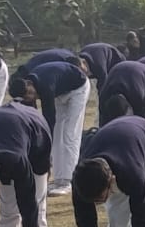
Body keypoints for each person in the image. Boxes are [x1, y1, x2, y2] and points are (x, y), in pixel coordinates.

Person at [15, 60, 91, 197]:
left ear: (29, 84)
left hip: (78, 88)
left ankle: (69, 181)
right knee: (57, 135)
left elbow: (49, 120)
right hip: (61, 91)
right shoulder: (33, 86)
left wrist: (44, 150)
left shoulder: (45, 86)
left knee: (70, 134)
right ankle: (58, 179)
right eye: (27, 97)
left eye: (30, 93)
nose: (32, 97)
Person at [98, 60, 145, 124]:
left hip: (140, 71)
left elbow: (141, 121)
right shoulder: (103, 99)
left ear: (130, 107)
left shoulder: (138, 97)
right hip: (119, 69)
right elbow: (102, 121)